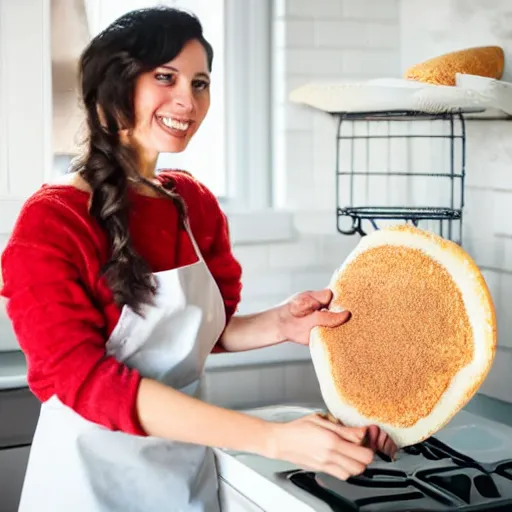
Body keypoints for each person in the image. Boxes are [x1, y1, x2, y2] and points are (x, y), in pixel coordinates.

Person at [0, 6, 396, 512]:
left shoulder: (193, 205)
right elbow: (85, 381)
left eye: (201, 82)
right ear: (113, 86)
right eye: (166, 77)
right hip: (87, 485)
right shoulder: (53, 222)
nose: (188, 99)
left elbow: (200, 335)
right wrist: (272, 438)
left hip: (184, 476)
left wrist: (281, 323)